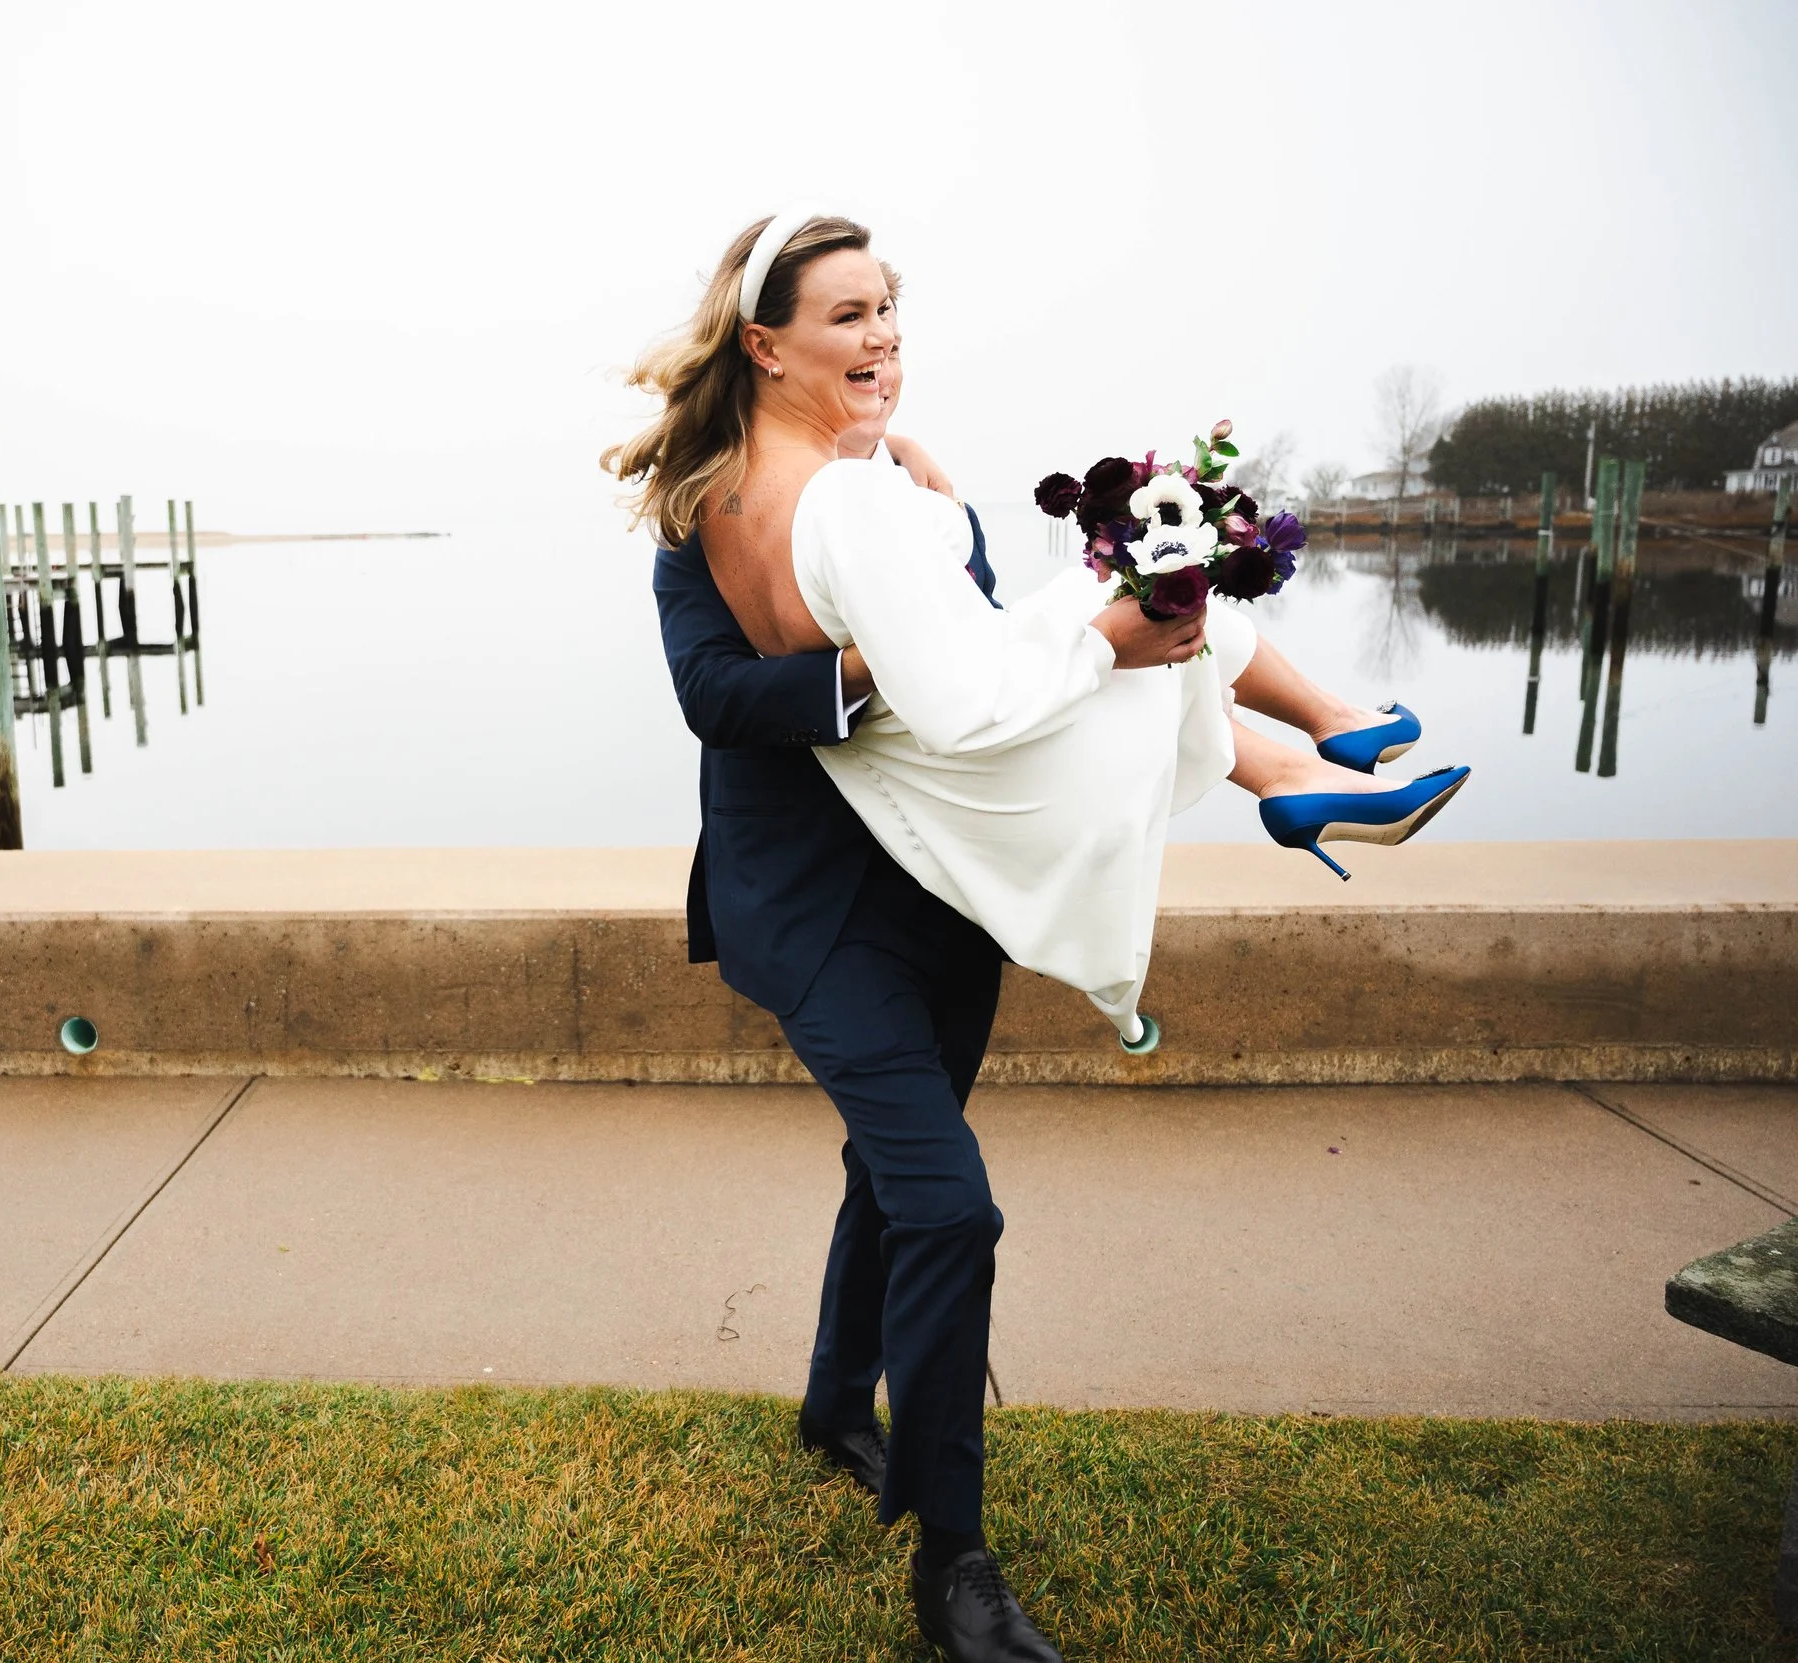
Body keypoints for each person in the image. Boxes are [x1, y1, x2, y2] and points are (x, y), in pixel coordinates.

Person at [610, 212, 1468, 1663]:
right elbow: (725, 701)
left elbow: (987, 643)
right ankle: (957, 1564)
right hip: (820, 912)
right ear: (765, 344)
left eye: (892, 309)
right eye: (849, 315)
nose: (883, 337)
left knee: (899, 1162)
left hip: (949, 888)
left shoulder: (888, 492)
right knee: (949, 1202)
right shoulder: (700, 526)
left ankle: (835, 1398)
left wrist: (943, 547)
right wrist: (890, 659)